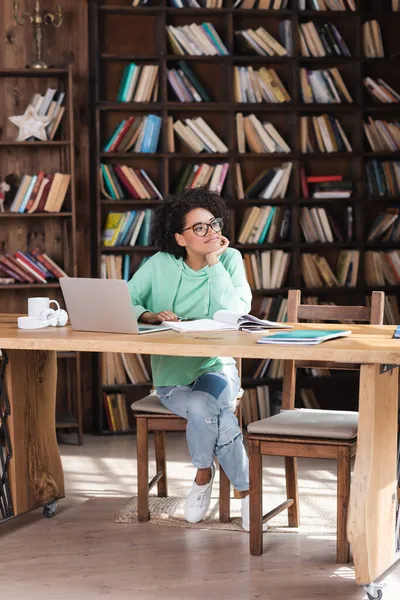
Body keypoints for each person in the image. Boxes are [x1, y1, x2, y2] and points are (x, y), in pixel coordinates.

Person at [127, 187, 254, 530]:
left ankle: (201, 476)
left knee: (203, 407)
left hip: (216, 367)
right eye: (200, 228)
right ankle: (246, 493)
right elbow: (125, 301)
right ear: (180, 239)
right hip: (173, 378)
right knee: (219, 417)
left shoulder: (229, 259)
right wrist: (150, 315)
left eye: (214, 223)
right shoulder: (159, 265)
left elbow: (236, 311)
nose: (212, 232)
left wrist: (214, 263)